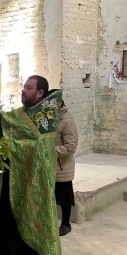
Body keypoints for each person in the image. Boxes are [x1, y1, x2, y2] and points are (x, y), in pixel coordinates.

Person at [0, 75, 62, 255]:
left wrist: (8, 145)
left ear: (40, 93)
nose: (23, 90)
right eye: (24, 87)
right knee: (8, 207)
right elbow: (6, 120)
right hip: (14, 170)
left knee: (35, 211)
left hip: (35, 175)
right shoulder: (25, 112)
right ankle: (9, 251)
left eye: (29, 88)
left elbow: (37, 145)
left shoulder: (45, 116)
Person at [55, 100, 78, 236]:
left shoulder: (67, 121)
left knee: (65, 197)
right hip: (52, 164)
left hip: (63, 166)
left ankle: (65, 223)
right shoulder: (51, 119)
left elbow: (71, 147)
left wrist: (51, 150)